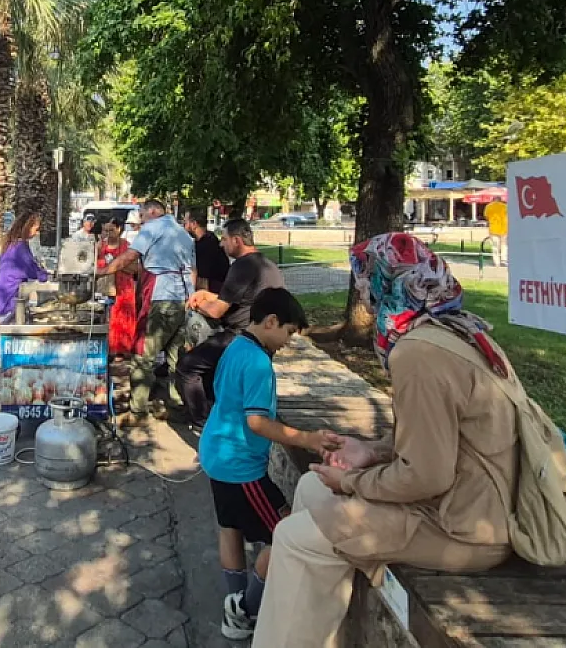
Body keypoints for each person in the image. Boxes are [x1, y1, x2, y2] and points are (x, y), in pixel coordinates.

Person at [251, 233, 521, 648]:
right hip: (465, 501)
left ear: (386, 287)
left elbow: (427, 476)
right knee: (309, 485)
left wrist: (353, 483)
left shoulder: (416, 353)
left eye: (367, 287)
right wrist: (372, 450)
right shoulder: (455, 329)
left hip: (466, 527)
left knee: (293, 539)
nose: (366, 299)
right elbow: (435, 434)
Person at [201, 288, 339, 641]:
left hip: (216, 453)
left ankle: (234, 598)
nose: (289, 342)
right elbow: (258, 422)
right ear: (272, 321)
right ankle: (245, 610)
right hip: (241, 466)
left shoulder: (236, 346)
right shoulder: (259, 362)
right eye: (289, 333)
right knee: (284, 536)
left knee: (229, 526)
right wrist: (308, 439)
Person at [179, 219, 285, 425]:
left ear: (236, 240)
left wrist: (195, 304)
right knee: (210, 367)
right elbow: (237, 297)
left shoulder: (242, 266)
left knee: (187, 367)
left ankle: (205, 421)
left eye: (224, 239)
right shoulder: (267, 265)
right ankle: (215, 410)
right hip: (264, 337)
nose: (221, 244)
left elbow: (217, 311)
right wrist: (206, 294)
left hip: (242, 336)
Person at [99, 200, 196, 424]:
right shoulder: (181, 232)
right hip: (181, 298)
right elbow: (189, 269)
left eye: (141, 214)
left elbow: (131, 256)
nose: (140, 219)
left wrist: (101, 271)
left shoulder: (152, 228)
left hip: (160, 298)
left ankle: (138, 412)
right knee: (176, 356)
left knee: (143, 355)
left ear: (152, 211)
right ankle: (176, 404)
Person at [0, 212, 50, 384]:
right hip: (10, 295)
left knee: (10, 332)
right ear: (27, 227)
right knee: (7, 334)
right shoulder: (19, 247)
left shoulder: (12, 243)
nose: (36, 232)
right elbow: (32, 269)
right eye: (35, 228)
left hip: (4, 293)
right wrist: (45, 275)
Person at [96, 219, 144, 357]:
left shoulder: (127, 247)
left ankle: (125, 350)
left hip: (124, 288)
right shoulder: (100, 247)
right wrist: (97, 250)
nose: (108, 233)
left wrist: (117, 263)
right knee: (108, 319)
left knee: (124, 319)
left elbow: (135, 269)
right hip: (105, 289)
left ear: (119, 229)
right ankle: (109, 350)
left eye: (111, 230)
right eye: (105, 230)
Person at [186, 210, 229, 295]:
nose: (184, 226)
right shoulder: (210, 238)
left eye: (185, 222)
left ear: (194, 224)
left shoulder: (206, 245)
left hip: (212, 293)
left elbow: (202, 278)